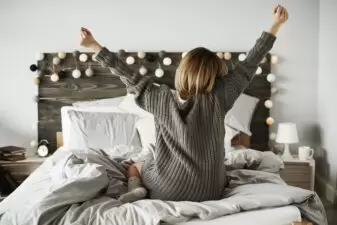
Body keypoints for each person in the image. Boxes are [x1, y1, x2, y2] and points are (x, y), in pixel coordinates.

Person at [79, 5, 288, 203]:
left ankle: (136, 190)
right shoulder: (221, 96)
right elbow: (250, 63)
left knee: (135, 166)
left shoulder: (158, 97)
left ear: (183, 71)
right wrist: (275, 25)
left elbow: (128, 74)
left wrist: (94, 46)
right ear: (216, 77)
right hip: (211, 190)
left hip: (164, 189)